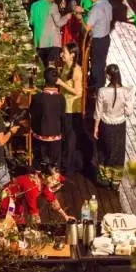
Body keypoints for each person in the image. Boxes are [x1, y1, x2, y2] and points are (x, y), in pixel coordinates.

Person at [94, 64, 135, 190]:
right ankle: (115, 182)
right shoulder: (126, 91)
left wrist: (96, 128)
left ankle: (105, 180)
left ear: (108, 76)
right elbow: (129, 112)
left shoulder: (102, 91)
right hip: (119, 126)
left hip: (105, 125)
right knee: (118, 152)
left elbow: (98, 112)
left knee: (104, 150)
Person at [0, 165, 75, 225]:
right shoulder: (32, 186)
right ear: (44, 176)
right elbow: (33, 211)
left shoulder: (43, 181)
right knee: (9, 226)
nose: (55, 182)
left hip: (17, 201)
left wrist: (65, 216)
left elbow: (52, 199)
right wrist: (39, 229)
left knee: (19, 225)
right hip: (7, 200)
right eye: (53, 179)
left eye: (56, 180)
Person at [30, 68, 66, 168]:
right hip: (56, 134)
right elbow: (62, 117)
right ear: (56, 80)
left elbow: (32, 113)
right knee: (54, 165)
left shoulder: (37, 97)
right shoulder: (61, 98)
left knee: (39, 164)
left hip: (40, 134)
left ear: (44, 80)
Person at [29, 0, 72, 67]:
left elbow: (31, 22)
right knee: (51, 67)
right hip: (52, 43)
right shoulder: (53, 6)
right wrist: (67, 17)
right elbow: (59, 23)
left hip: (38, 42)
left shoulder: (34, 5)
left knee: (40, 67)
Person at [56, 43, 83, 174]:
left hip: (72, 109)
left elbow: (78, 92)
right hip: (64, 105)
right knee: (65, 135)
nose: (61, 54)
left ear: (72, 55)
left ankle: (68, 165)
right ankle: (64, 161)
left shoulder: (76, 70)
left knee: (70, 138)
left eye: (64, 52)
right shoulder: (66, 66)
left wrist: (61, 83)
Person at [85, 0, 112, 92]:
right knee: (102, 63)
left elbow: (87, 28)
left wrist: (80, 19)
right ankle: (101, 84)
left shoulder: (95, 9)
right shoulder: (107, 4)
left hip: (97, 40)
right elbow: (108, 19)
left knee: (96, 64)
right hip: (106, 38)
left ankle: (96, 89)